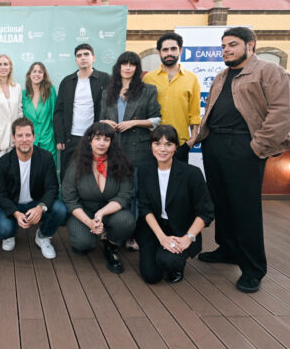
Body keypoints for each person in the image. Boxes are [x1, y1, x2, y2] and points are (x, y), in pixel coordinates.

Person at [197, 27, 290, 293]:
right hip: (214, 143)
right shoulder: (221, 75)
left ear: (250, 45)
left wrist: (257, 146)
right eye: (223, 46)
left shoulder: (270, 71)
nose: (226, 50)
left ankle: (253, 269)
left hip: (243, 146)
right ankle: (227, 249)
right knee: (222, 203)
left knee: (245, 209)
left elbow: (282, 112)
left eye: (232, 44)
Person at [136, 125, 214, 284]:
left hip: (181, 229)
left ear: (176, 147)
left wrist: (188, 238)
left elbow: (206, 212)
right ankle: (160, 250)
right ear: (151, 146)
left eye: (168, 144)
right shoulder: (145, 170)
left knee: (169, 261)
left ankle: (176, 264)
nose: (162, 149)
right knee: (151, 276)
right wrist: (162, 238)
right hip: (155, 228)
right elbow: (144, 207)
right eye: (157, 144)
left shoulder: (192, 174)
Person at [99, 51, 161, 250]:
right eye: (124, 64)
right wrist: (105, 122)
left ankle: (131, 234)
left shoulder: (148, 90)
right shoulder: (108, 92)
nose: (127, 68)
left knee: (134, 193)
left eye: (132, 64)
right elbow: (100, 119)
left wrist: (134, 122)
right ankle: (112, 229)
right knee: (112, 191)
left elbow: (156, 120)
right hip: (113, 148)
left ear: (137, 68)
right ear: (118, 67)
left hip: (138, 149)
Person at [62, 122, 135, 273]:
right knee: (83, 244)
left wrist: (101, 213)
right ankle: (90, 237)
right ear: (89, 141)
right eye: (97, 138)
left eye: (106, 139)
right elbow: (70, 199)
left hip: (110, 211)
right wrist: (89, 222)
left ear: (111, 142)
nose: (102, 143)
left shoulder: (120, 163)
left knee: (127, 221)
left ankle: (111, 244)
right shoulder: (76, 165)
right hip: (84, 212)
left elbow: (125, 195)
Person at [0, 118, 68, 259]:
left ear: (34, 137)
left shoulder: (46, 157)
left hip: (36, 203)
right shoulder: (4, 162)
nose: (24, 139)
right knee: (3, 229)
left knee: (60, 209)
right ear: (13, 138)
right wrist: (16, 213)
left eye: (28, 135)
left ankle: (43, 236)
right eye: (20, 135)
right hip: (14, 205)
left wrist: (40, 208)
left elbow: (52, 188)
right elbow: (1, 194)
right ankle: (10, 234)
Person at [54, 43, 110, 181]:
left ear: (93, 58)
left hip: (95, 137)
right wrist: (60, 137)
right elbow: (59, 112)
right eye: (79, 55)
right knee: (68, 175)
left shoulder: (105, 79)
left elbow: (111, 106)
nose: (83, 58)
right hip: (71, 137)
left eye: (86, 54)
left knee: (95, 176)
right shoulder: (67, 82)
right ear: (76, 60)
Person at [143, 32, 200, 163]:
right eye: (165, 50)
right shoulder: (148, 78)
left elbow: (194, 112)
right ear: (159, 53)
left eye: (173, 49)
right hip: (153, 143)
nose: (169, 53)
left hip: (179, 143)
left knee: (179, 176)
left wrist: (193, 139)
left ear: (180, 50)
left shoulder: (191, 79)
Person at [22, 62, 57, 162]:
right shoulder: (23, 94)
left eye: (40, 72)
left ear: (44, 75)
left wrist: (57, 137)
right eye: (34, 71)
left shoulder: (50, 91)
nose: (37, 74)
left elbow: (55, 115)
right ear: (29, 74)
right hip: (30, 141)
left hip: (48, 140)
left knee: (49, 169)